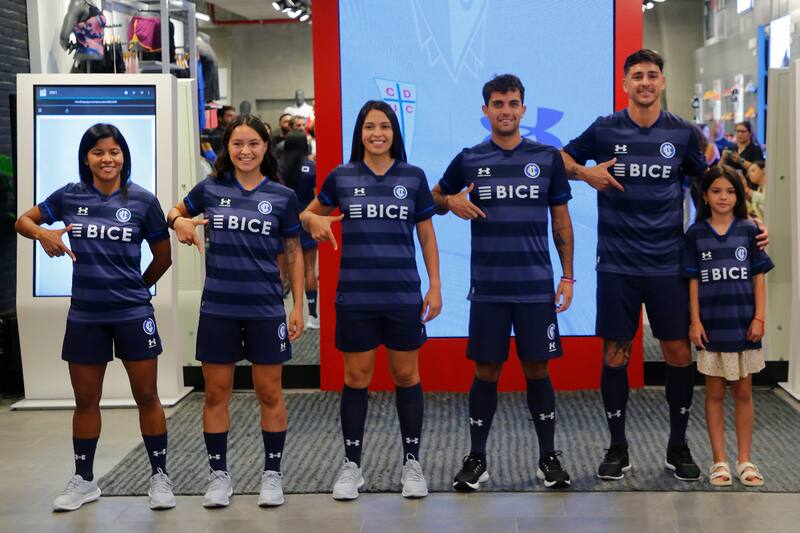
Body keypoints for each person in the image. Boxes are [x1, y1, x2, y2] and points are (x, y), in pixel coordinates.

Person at [561, 49, 714, 482]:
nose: (645, 82)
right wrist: (585, 173)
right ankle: (617, 447)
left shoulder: (682, 133)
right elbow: (559, 160)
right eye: (637, 76)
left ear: (662, 82)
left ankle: (677, 445)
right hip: (617, 263)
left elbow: (708, 184)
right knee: (616, 353)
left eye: (652, 75)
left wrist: (741, 224)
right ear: (625, 84)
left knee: (677, 352)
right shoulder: (605, 129)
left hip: (668, 263)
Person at [16, 123, 175, 511]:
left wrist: (136, 289)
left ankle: (160, 478)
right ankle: (84, 480)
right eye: (98, 152)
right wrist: (44, 235)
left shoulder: (143, 200)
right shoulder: (70, 196)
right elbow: (22, 221)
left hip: (133, 313)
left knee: (147, 396)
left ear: (124, 156)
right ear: (86, 158)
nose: (107, 159)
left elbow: (163, 257)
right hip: (86, 314)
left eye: (114, 151)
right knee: (86, 401)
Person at [431, 74, 575, 491]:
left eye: (513, 103)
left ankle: (548, 458)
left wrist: (567, 275)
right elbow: (434, 199)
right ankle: (477, 458)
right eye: (498, 103)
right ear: (486, 110)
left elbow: (561, 222)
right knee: (487, 370)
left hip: (535, 287)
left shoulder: (547, 158)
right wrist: (450, 201)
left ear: (523, 109)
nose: (506, 110)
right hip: (489, 288)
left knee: (537, 368)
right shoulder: (469, 159)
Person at [300, 100, 442, 500]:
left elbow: (426, 236)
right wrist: (314, 219)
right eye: (369, 127)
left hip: (402, 294)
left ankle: (412, 464)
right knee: (355, 379)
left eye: (384, 126)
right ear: (359, 133)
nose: (377, 133)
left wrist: (435, 285)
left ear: (394, 132)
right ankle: (352, 466)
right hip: (356, 296)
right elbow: (306, 216)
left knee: (407, 377)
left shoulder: (413, 177)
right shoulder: (342, 177)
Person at [167, 115, 304, 508]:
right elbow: (172, 211)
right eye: (237, 144)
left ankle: (272, 475)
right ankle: (219, 476)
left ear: (266, 147)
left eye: (253, 144)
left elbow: (293, 253)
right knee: (216, 393)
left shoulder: (282, 195)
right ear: (227, 148)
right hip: (219, 307)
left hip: (265, 308)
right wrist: (179, 222)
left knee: (269, 392)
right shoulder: (210, 188)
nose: (245, 151)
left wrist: (298, 304)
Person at [682, 166, 773, 487]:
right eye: (717, 191)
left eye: (731, 191)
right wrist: (695, 321)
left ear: (739, 195)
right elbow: (693, 280)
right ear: (705, 196)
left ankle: (745, 459)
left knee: (744, 392)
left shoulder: (750, 231)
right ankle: (719, 460)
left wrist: (759, 318)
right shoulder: (696, 234)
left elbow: (758, 278)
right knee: (715, 392)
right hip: (711, 327)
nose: (724, 197)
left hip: (744, 325)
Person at [278, 131, 319, 329]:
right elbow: (317, 197)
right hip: (304, 222)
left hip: (282, 223)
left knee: (281, 271)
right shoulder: (311, 167)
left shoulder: (278, 167)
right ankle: (312, 316)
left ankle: (277, 314)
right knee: (309, 269)